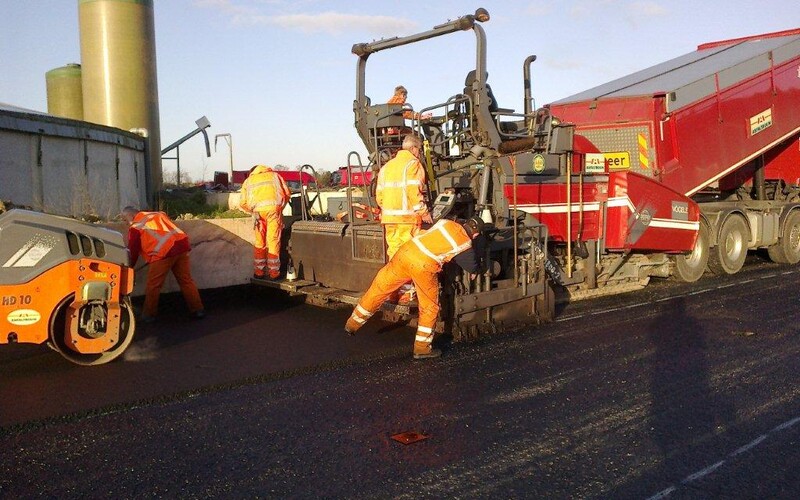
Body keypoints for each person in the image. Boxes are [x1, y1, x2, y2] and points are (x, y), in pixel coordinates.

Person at [344, 217, 484, 360]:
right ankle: (422, 349)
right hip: (422, 265)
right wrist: (477, 269)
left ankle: (352, 324)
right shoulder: (464, 242)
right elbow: (471, 266)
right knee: (429, 307)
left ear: (465, 223)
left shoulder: (446, 223)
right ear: (476, 234)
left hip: (405, 253)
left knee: (379, 289)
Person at [122, 206, 205, 323]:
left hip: (164, 252)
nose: (126, 224)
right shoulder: (158, 214)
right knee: (186, 280)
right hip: (181, 246)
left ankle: (148, 315)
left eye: (125, 220)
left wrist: (129, 267)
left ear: (130, 216)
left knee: (153, 285)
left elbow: (133, 251)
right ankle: (198, 310)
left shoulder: (135, 227)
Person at [376, 134, 432, 260]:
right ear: (413, 149)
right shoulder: (413, 164)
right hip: (407, 220)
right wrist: (424, 213)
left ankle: (396, 278)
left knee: (395, 252)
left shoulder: (387, 167)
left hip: (389, 219)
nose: (419, 153)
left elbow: (379, 196)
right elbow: (414, 191)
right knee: (410, 253)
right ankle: (409, 279)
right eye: (419, 149)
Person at [239, 164, 292, 279]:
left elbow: (242, 203)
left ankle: (259, 272)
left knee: (260, 243)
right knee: (273, 241)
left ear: (252, 171)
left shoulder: (248, 181)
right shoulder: (275, 176)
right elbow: (287, 193)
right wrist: (279, 208)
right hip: (273, 212)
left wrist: (252, 210)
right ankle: (274, 273)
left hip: (257, 214)